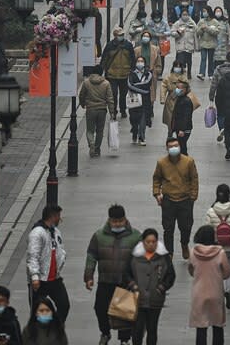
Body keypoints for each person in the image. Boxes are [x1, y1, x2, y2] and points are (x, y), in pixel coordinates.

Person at [85, 205, 142, 345]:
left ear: (125, 219)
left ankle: (124, 339)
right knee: (100, 308)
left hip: (126, 281)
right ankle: (105, 332)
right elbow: (92, 256)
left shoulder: (135, 236)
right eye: (114, 221)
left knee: (125, 311)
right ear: (109, 220)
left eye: (120, 221)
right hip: (105, 280)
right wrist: (89, 276)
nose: (117, 224)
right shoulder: (99, 236)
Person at [125, 229, 176, 345]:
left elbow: (171, 275)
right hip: (138, 298)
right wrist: (133, 286)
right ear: (143, 242)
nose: (151, 244)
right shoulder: (134, 256)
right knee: (137, 329)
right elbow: (126, 273)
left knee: (152, 329)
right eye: (148, 242)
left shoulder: (164, 256)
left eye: (153, 242)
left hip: (155, 298)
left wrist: (162, 288)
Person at [152, 138, 199, 259]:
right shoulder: (162, 163)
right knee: (168, 229)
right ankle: (169, 253)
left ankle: (184, 244)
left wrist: (193, 196)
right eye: (171, 146)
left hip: (185, 200)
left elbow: (194, 178)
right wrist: (157, 193)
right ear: (167, 148)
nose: (174, 148)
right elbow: (156, 178)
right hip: (168, 200)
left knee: (186, 227)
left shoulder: (188, 161)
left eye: (176, 146)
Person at [188, 225, 230, 345]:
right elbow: (227, 273)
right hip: (215, 291)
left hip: (199, 293)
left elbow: (191, 270)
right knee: (217, 325)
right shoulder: (220, 253)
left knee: (201, 327)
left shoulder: (193, 252)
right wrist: (218, 276)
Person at [26, 205, 70, 323]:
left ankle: (55, 330)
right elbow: (33, 256)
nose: (60, 219)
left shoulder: (55, 231)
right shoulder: (37, 233)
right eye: (58, 216)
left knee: (64, 305)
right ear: (53, 216)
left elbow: (60, 249)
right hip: (40, 280)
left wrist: (62, 258)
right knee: (37, 311)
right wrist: (35, 276)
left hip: (54, 278)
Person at [204, 184, 230, 310]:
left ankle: (218, 295)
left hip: (216, 248)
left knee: (217, 273)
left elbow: (207, 230)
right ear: (229, 194)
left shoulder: (211, 211)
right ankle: (229, 290)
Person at [79, 66, 116, 158]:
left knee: (90, 130)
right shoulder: (106, 83)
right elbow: (110, 98)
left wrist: (82, 104)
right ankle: (97, 148)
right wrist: (112, 112)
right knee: (100, 130)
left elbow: (82, 95)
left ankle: (91, 143)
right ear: (101, 72)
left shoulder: (86, 82)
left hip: (90, 109)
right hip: (102, 110)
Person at [101, 26, 136, 118]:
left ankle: (123, 109)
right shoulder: (110, 46)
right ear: (115, 36)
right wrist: (101, 71)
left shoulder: (128, 45)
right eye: (120, 35)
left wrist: (132, 71)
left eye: (122, 34)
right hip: (112, 75)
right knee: (113, 94)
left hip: (125, 74)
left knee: (123, 94)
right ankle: (114, 111)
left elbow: (132, 59)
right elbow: (104, 59)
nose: (122, 36)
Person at [127, 56, 153, 145]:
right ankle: (134, 134)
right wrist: (142, 90)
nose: (140, 63)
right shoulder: (131, 73)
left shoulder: (148, 74)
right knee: (133, 119)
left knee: (143, 119)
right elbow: (129, 85)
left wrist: (135, 86)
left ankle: (142, 137)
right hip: (133, 100)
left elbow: (147, 84)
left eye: (142, 61)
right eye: (138, 61)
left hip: (145, 101)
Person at [161, 60, 189, 134]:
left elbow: (188, 89)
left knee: (179, 118)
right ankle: (170, 133)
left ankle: (178, 133)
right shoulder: (168, 77)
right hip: (171, 100)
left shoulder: (184, 78)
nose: (178, 68)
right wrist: (162, 98)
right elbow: (163, 87)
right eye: (176, 66)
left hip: (181, 101)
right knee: (170, 118)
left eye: (180, 66)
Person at [196, 6, 221, 80]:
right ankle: (202, 73)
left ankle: (211, 73)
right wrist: (201, 29)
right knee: (203, 58)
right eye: (203, 11)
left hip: (212, 43)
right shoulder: (201, 21)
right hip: (203, 43)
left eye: (205, 11)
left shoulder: (215, 22)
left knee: (211, 59)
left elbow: (217, 32)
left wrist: (207, 28)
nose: (204, 13)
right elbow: (197, 33)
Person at [171, 7, 198, 75]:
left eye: (186, 14)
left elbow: (196, 35)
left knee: (189, 61)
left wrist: (197, 47)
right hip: (180, 46)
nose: (185, 16)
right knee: (180, 60)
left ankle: (189, 72)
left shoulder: (192, 23)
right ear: (181, 15)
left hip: (189, 46)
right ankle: (180, 72)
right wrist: (178, 33)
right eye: (184, 14)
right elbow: (172, 33)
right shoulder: (177, 23)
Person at [170, 81, 194, 154]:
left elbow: (186, 116)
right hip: (179, 127)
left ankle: (186, 162)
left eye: (179, 88)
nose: (177, 90)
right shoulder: (180, 98)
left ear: (185, 90)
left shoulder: (186, 101)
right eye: (177, 88)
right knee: (181, 146)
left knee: (182, 147)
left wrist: (182, 130)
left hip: (184, 129)